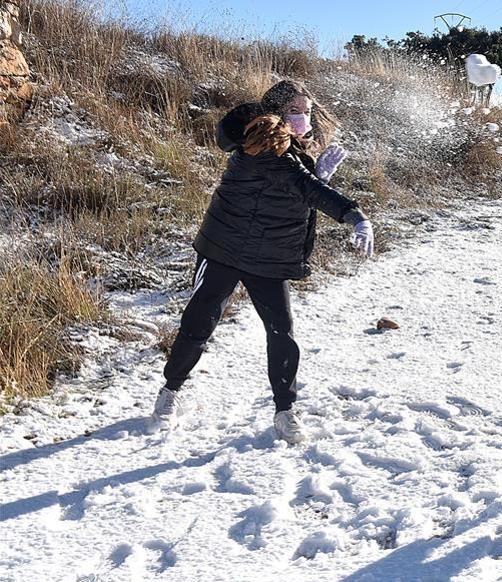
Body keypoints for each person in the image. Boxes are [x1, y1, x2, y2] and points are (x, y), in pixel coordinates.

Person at [152, 80, 374, 443]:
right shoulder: (264, 146)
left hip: (267, 255)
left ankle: (285, 411)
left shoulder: (290, 148)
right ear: (276, 114)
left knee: (281, 331)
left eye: (306, 111)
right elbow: (303, 186)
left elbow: (295, 188)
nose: (303, 118)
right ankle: (169, 393)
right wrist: (353, 214)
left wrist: (316, 173)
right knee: (199, 324)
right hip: (224, 248)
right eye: (295, 112)